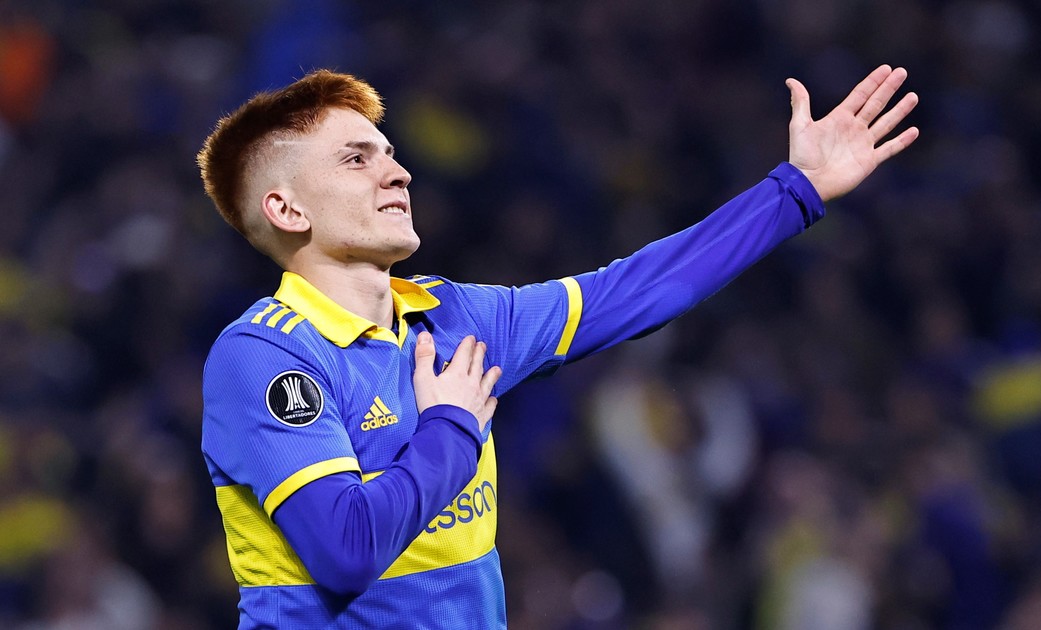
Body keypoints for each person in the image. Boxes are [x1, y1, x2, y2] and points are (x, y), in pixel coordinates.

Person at [197, 64, 918, 629]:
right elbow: (347, 551)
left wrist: (795, 191)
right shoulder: (262, 356)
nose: (399, 172)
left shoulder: (456, 318)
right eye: (356, 160)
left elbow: (633, 291)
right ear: (286, 208)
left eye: (390, 153)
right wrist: (450, 427)